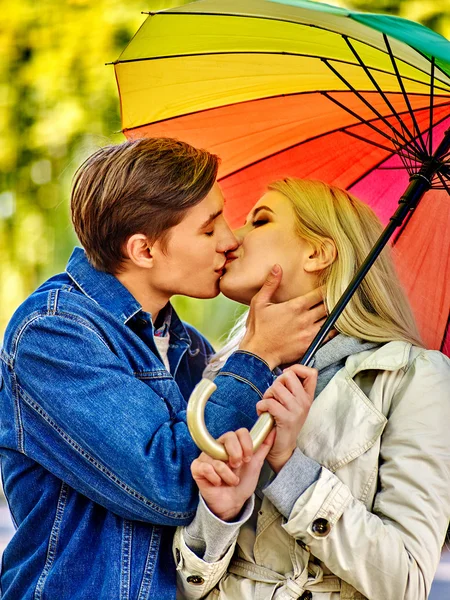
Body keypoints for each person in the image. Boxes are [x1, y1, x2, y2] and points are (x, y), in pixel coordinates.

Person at [0, 140, 328, 600]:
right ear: (144, 251)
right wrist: (256, 355)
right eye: (209, 229)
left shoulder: (190, 349)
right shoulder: (53, 334)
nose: (231, 242)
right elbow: (171, 484)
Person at [174, 178, 450, 600]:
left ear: (318, 253)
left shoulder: (411, 379)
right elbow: (184, 585)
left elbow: (406, 582)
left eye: (260, 221)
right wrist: (220, 514)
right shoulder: (223, 373)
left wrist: (291, 467)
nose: (231, 238)